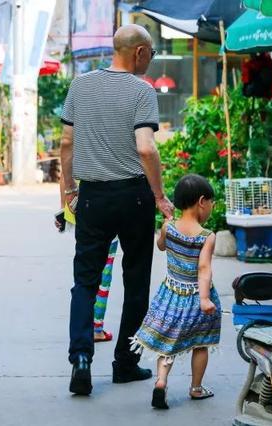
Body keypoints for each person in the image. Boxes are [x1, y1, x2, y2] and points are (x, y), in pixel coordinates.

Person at [60, 24, 174, 396]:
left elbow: (66, 143)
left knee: (85, 282)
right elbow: (146, 148)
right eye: (152, 54)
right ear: (139, 52)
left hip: (92, 197)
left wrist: (69, 192)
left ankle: (81, 358)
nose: (150, 60)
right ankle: (125, 364)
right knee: (136, 280)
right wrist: (159, 196)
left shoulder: (81, 84)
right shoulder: (142, 90)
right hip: (134, 197)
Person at [134, 174, 221, 409]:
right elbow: (204, 268)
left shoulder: (169, 226)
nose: (211, 208)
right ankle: (196, 388)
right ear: (202, 201)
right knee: (201, 343)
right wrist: (204, 299)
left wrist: (166, 226)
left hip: (171, 294)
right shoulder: (206, 236)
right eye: (212, 203)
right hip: (195, 297)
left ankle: (161, 382)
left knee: (167, 342)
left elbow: (161, 245)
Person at [56, 178, 117, 343]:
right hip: (109, 209)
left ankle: (83, 331)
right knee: (105, 272)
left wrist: (64, 209)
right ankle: (97, 328)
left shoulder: (79, 151)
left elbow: (65, 175)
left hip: (83, 212)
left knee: (84, 275)